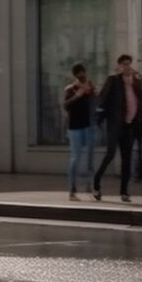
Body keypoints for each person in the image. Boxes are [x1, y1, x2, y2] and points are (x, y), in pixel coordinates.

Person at [93, 55, 142, 202]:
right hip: (115, 124)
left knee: (126, 158)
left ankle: (124, 191)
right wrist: (99, 118)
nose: (127, 67)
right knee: (110, 154)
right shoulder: (114, 80)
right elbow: (102, 99)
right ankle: (96, 182)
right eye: (124, 64)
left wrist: (140, 81)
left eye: (129, 64)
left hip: (129, 125)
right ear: (119, 66)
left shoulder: (135, 82)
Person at [63, 63, 97, 201]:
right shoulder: (70, 89)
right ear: (75, 76)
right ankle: (72, 187)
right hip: (75, 127)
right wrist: (77, 95)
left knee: (90, 157)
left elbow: (97, 102)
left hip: (89, 126)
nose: (82, 76)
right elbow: (65, 105)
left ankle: (90, 184)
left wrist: (93, 92)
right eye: (79, 74)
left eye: (83, 73)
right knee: (75, 157)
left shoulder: (90, 87)